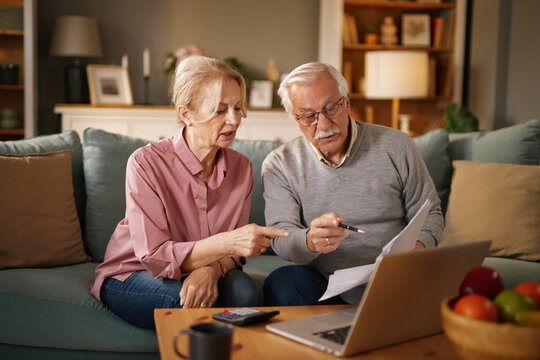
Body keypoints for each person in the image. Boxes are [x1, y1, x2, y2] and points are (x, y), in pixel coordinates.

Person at [91, 56, 288, 329]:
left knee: (243, 291)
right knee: (187, 303)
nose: (234, 120)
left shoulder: (241, 168)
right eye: (220, 111)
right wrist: (228, 242)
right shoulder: (145, 163)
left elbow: (235, 255)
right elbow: (155, 257)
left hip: (204, 267)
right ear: (186, 114)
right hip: (134, 272)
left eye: (238, 108)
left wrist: (210, 268)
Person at [262, 62, 443, 306]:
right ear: (296, 119)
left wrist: (418, 247)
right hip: (325, 287)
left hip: (394, 277)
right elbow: (280, 235)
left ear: (346, 102)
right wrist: (309, 240)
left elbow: (429, 212)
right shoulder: (279, 164)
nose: (324, 125)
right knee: (284, 282)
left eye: (331, 108)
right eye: (308, 116)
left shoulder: (397, 146)